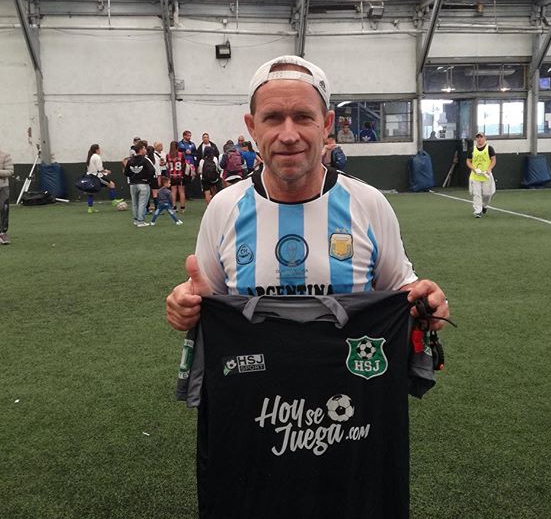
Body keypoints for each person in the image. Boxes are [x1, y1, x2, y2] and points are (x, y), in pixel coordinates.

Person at [166, 54, 448, 330]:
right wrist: (187, 305)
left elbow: (401, 289)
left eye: (303, 117)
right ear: (252, 127)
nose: (289, 136)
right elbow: (208, 297)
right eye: (273, 118)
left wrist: (427, 301)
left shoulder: (368, 203)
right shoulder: (224, 207)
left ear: (326, 124)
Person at [124, 141, 155, 227]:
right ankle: (141, 221)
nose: (145, 150)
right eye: (144, 148)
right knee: (142, 203)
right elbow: (152, 171)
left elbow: (126, 173)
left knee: (135, 203)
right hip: (143, 184)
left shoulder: (130, 160)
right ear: (141, 149)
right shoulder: (145, 160)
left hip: (133, 184)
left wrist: (133, 176)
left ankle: (136, 220)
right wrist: (147, 178)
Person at [85, 144, 124, 213]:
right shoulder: (97, 157)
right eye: (99, 149)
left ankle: (90, 209)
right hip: (97, 177)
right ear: (96, 150)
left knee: (90, 192)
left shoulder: (90, 157)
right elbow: (100, 169)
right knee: (112, 184)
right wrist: (107, 171)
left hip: (89, 177)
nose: (100, 150)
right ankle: (114, 201)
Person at [466, 132, 496, 218]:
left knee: (487, 194)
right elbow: (468, 161)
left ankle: (484, 205)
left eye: (481, 137)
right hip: (475, 176)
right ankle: (477, 211)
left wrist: (489, 169)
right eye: (477, 137)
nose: (479, 139)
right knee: (477, 194)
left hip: (486, 175)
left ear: (484, 138)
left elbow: (493, 160)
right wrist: (474, 169)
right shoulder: (472, 149)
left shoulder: (489, 148)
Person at [166, 141, 186, 212]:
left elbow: (167, 165)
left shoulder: (168, 155)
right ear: (177, 147)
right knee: (181, 191)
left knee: (173, 191)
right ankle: (182, 207)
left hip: (172, 175)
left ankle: (174, 207)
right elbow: (184, 164)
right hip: (180, 175)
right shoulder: (181, 154)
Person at [177, 130, 197, 199]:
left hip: (191, 164)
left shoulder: (192, 144)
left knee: (191, 178)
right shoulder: (180, 144)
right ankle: (183, 195)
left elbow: (195, 153)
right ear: (184, 136)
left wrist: (191, 153)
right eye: (188, 136)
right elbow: (178, 152)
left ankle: (190, 195)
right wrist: (185, 152)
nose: (189, 137)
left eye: (190, 136)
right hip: (183, 164)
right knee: (184, 178)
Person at [0, 148, 13, 245]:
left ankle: (3, 233)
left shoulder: (5, 155)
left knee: (4, 210)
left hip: (3, 188)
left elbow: (10, 171)